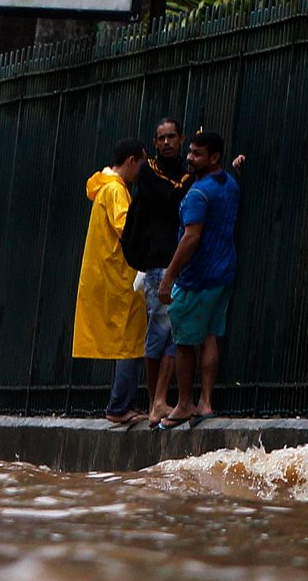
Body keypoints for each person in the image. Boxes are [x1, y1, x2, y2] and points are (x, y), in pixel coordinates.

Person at [157, 130, 241, 424]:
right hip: (223, 272)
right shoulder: (229, 184)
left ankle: (184, 404)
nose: (190, 158)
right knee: (210, 336)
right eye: (190, 151)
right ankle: (205, 402)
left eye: (197, 154)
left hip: (197, 279)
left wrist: (169, 277)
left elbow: (191, 237)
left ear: (213, 157)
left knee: (183, 342)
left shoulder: (198, 193)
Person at [74, 139, 150, 423]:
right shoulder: (116, 190)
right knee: (129, 344)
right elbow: (127, 228)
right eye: (141, 164)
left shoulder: (103, 187)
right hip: (121, 277)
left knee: (122, 344)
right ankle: (120, 407)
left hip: (107, 275)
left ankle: (119, 404)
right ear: (131, 160)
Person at [122, 118, 188, 412]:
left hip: (180, 263)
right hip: (159, 263)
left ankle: (158, 400)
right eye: (161, 138)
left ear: (180, 138)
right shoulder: (150, 172)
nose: (166, 143)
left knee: (174, 333)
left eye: (171, 137)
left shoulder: (185, 173)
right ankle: (155, 401)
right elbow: (171, 195)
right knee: (160, 332)